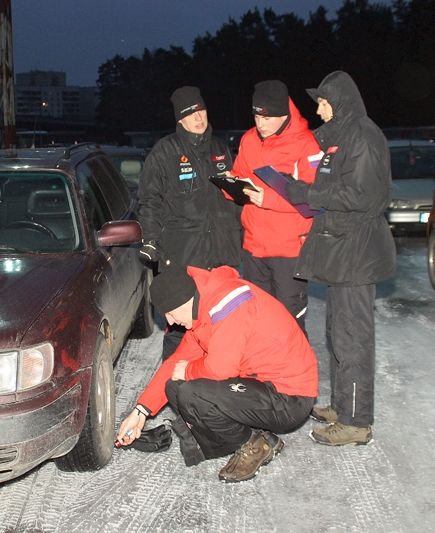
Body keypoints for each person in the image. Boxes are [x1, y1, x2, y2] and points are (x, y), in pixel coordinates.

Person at [115, 266, 318, 483]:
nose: (171, 322)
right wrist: (140, 411)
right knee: (174, 385)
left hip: (289, 397)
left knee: (192, 392)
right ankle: (227, 435)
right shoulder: (201, 310)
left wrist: (190, 370)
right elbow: (174, 363)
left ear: (183, 301)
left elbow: (221, 369)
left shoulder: (229, 303)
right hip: (260, 385)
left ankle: (255, 443)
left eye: (170, 314)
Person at [285, 70, 396, 446]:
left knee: (353, 338)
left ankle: (355, 422)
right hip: (342, 248)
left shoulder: (363, 136)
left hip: (356, 249)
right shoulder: (343, 137)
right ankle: (342, 404)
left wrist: (306, 193)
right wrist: (301, 187)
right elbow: (336, 185)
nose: (318, 109)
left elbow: (360, 195)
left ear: (340, 102)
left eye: (322, 102)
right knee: (338, 333)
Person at [136, 86, 243, 360]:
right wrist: (151, 240)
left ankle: (212, 387)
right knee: (181, 329)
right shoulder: (165, 152)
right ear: (180, 119)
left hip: (221, 255)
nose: (199, 117)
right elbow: (149, 200)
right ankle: (174, 388)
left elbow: (235, 199)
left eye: (201, 110)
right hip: (182, 257)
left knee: (221, 325)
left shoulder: (221, 149)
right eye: (191, 113)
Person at [229, 80, 323, 333]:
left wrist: (267, 199)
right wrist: (231, 186)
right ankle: (264, 372)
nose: (261, 124)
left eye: (268, 118)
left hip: (288, 250)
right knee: (259, 320)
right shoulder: (249, 139)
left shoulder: (307, 144)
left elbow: (314, 199)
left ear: (284, 114)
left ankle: (293, 373)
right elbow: (240, 175)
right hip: (253, 247)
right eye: (257, 116)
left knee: (288, 322)